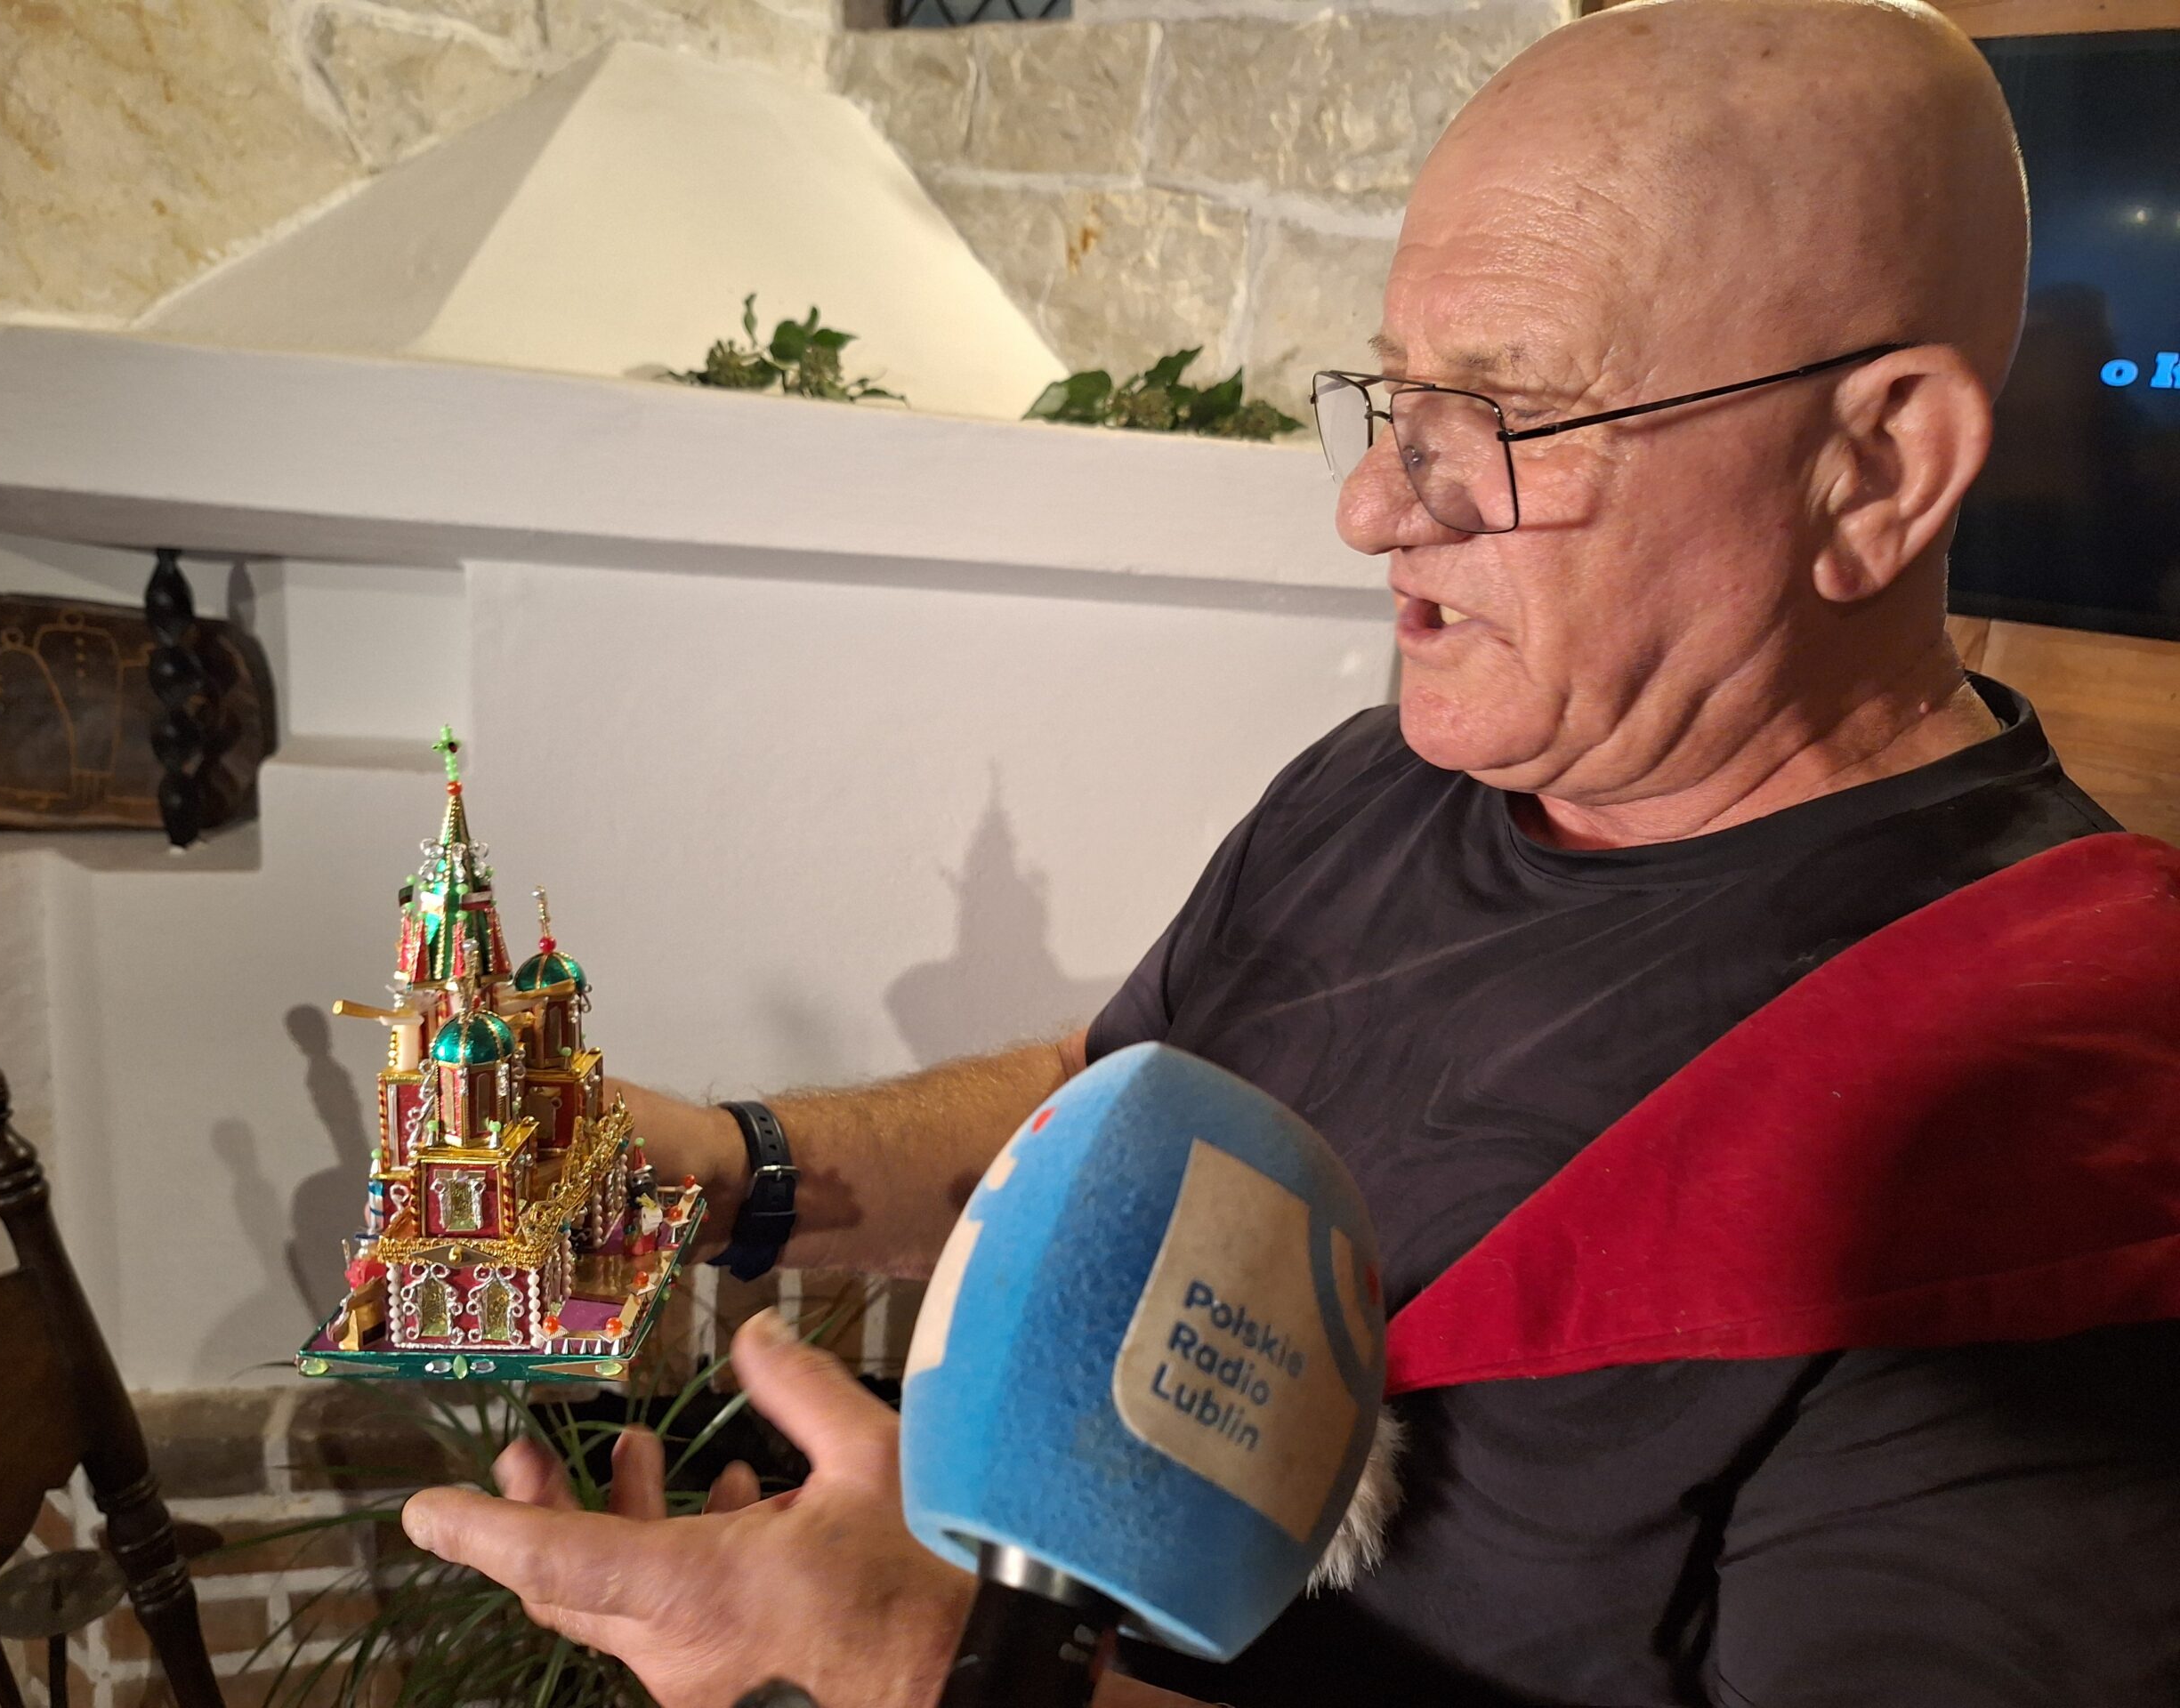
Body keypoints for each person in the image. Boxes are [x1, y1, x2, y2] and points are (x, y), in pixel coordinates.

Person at [399, 0, 2180, 1702]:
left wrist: (924, 1673)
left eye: (1504, 416)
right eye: (1392, 398)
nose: (1370, 505)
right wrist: (726, 1174)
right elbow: (1118, 1112)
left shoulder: (2063, 1138)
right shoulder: (1384, 782)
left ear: (1874, 470)